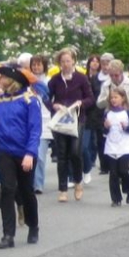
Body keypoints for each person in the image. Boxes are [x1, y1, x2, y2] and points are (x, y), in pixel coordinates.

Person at [0, 63, 42, 247]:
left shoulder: (30, 100)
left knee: (26, 191)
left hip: (24, 152)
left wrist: (30, 153)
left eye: (2, 77)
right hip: (5, 152)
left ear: (11, 79)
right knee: (7, 190)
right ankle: (8, 235)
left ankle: (33, 226)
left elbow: (35, 130)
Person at [46, 48, 94, 203]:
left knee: (74, 152)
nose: (65, 64)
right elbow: (47, 98)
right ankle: (63, 189)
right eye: (62, 61)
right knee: (62, 155)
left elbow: (90, 98)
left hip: (77, 119)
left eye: (68, 61)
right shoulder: (54, 80)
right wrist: (53, 105)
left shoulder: (81, 78)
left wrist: (81, 103)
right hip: (60, 121)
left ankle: (78, 182)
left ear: (73, 61)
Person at [103, 86, 129, 206]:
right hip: (111, 147)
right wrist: (106, 128)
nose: (113, 100)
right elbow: (104, 132)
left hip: (125, 148)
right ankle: (116, 199)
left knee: (123, 171)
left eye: (116, 97)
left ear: (123, 98)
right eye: (111, 97)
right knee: (113, 173)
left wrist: (127, 127)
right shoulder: (107, 113)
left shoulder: (128, 113)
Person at [28, 53, 53, 194]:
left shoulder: (49, 81)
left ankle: (38, 184)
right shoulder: (27, 81)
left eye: (39, 64)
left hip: (44, 120)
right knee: (31, 153)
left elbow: (51, 100)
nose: (36, 67)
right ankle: (30, 183)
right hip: (30, 121)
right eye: (34, 64)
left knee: (40, 155)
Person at [82, 54, 103, 184]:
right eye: (92, 61)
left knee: (94, 141)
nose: (94, 63)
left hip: (95, 113)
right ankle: (87, 165)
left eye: (97, 61)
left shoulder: (100, 79)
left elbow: (98, 96)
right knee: (83, 144)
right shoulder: (83, 77)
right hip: (83, 113)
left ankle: (91, 162)